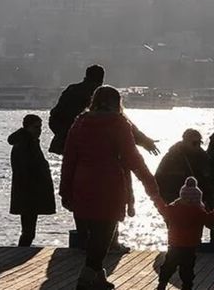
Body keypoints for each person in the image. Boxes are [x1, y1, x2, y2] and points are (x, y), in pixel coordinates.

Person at [59, 85, 160, 290]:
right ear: (117, 102)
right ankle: (86, 278)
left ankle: (98, 278)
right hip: (109, 185)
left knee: (92, 237)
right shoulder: (118, 123)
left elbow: (69, 159)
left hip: (82, 184)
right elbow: (132, 158)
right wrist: (151, 185)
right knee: (104, 235)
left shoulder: (79, 123)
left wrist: (65, 190)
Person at [48, 64, 160, 156]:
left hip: (70, 146)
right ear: (102, 79)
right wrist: (145, 141)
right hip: (92, 148)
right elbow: (122, 122)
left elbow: (54, 116)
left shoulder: (71, 90)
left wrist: (64, 137)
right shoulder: (101, 95)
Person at [156, 177, 214, 290]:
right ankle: (187, 287)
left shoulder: (173, 209)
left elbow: (162, 209)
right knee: (187, 269)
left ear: (181, 196)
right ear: (198, 198)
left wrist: (157, 199)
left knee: (169, 265)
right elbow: (209, 219)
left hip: (174, 244)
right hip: (190, 246)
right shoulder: (198, 211)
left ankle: (162, 283)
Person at [9, 114, 55, 247]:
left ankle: (21, 251)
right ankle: (21, 251)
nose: (39, 130)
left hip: (28, 192)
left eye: (40, 127)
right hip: (29, 193)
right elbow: (26, 169)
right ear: (27, 127)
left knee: (28, 229)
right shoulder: (26, 144)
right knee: (28, 231)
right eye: (36, 127)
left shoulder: (27, 142)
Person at [155, 129, 212, 206]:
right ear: (185, 142)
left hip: (198, 203)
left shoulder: (203, 157)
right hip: (176, 202)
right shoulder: (172, 158)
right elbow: (158, 178)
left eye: (200, 143)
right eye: (194, 143)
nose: (198, 146)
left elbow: (208, 181)